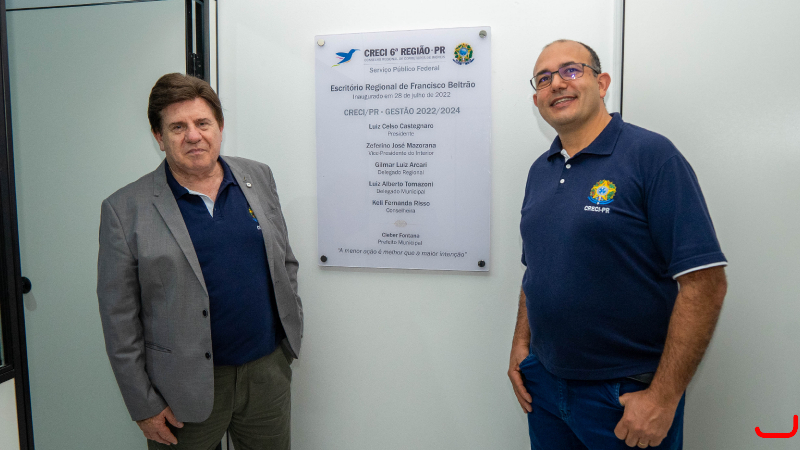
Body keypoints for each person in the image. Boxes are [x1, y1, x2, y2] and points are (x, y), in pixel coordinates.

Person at [508, 40, 728, 449]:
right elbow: (535, 269)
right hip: (546, 387)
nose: (557, 83)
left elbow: (705, 283)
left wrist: (663, 397)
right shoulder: (541, 170)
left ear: (602, 82)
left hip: (625, 395)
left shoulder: (651, 156)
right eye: (544, 78)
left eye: (571, 70)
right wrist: (521, 344)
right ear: (536, 99)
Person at [97, 73, 302, 449]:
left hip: (267, 374)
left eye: (202, 123)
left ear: (219, 127)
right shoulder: (125, 210)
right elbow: (118, 318)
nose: (193, 136)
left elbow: (284, 261)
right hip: (180, 392)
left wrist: (289, 339)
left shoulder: (257, 176)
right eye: (178, 127)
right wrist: (143, 404)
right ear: (159, 137)